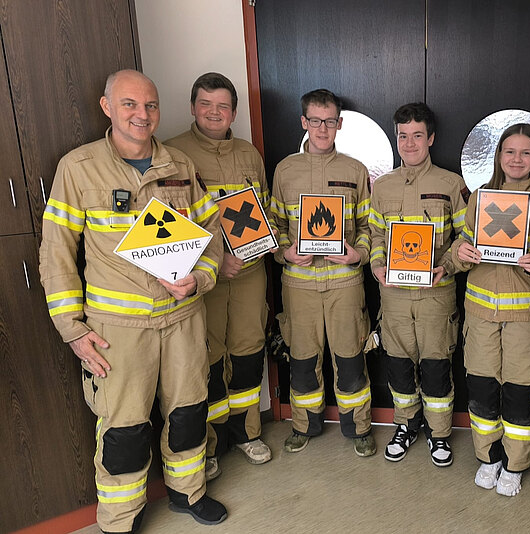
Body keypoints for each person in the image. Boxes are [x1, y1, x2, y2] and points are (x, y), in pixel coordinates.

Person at [39, 70, 227, 532]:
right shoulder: (79, 168)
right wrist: (72, 328)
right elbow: (56, 251)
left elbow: (212, 234)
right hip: (116, 331)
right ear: (107, 107)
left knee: (188, 414)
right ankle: (120, 518)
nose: (141, 115)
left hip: (183, 319)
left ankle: (188, 492)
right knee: (123, 429)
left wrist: (200, 279)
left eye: (150, 105)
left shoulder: (180, 165)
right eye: (129, 104)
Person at [165, 72, 272, 481]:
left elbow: (261, 209)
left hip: (250, 273)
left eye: (223, 106)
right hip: (202, 279)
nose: (214, 113)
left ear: (234, 112)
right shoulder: (173, 154)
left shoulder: (249, 153)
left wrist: (258, 247)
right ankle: (210, 445)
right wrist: (214, 260)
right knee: (206, 357)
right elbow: (168, 226)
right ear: (193, 107)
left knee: (248, 349)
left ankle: (247, 433)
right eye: (206, 104)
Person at [451, 123, 530, 496]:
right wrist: (461, 253)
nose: (517, 159)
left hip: (524, 318)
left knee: (519, 391)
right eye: (510, 151)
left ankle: (515, 465)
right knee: (482, 388)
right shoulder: (480, 196)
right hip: (480, 313)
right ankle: (489, 458)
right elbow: (463, 245)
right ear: (499, 155)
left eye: (526, 152)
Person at [269, 89, 375, 456]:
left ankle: (359, 427)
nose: (322, 128)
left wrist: (358, 254)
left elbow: (369, 225)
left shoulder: (355, 170)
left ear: (339, 123)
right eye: (315, 120)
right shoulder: (285, 170)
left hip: (345, 282)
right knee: (302, 360)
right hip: (298, 285)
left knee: (350, 358)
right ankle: (304, 426)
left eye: (330, 121)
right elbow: (275, 224)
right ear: (304, 122)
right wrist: (285, 252)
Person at [369, 103, 469, 467]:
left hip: (436, 296)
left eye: (417, 135)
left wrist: (447, 265)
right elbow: (376, 233)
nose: (409, 143)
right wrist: (377, 264)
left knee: (436, 366)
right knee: (398, 366)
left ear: (431, 138)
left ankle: (439, 433)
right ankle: (406, 425)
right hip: (394, 296)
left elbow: (467, 236)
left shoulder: (451, 183)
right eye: (403, 136)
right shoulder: (382, 186)